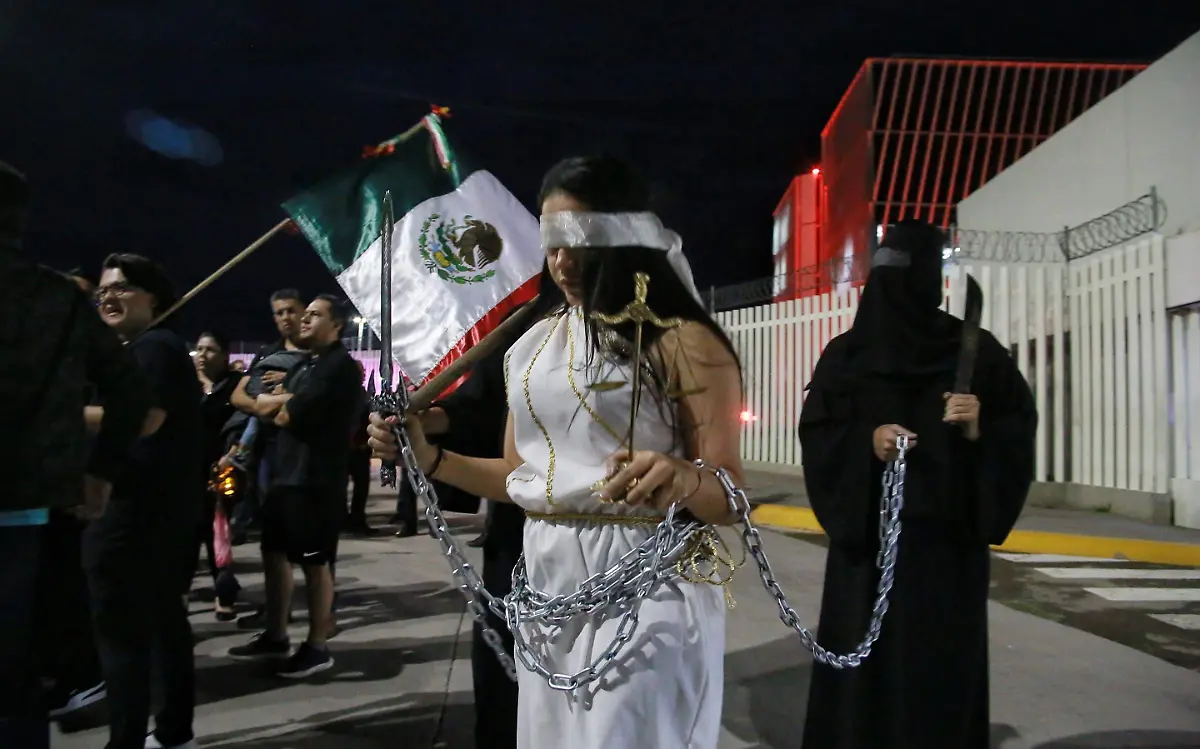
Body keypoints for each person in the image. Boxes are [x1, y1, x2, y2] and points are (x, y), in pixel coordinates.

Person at [368, 155, 744, 749]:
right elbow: (520, 476)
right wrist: (430, 458)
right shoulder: (533, 345)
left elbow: (729, 494)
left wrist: (680, 477)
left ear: (628, 237)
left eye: (579, 242)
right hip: (545, 587)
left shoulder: (683, 340)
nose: (562, 261)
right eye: (551, 245)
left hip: (648, 585)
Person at [797, 220, 1037, 749]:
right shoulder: (847, 356)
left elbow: (1016, 432)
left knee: (937, 672)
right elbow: (819, 433)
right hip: (868, 550)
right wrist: (868, 439)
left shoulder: (975, 352)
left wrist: (980, 425)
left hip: (946, 553)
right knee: (863, 677)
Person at [0, 161, 152, 749]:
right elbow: (129, 389)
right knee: (15, 670)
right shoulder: (57, 299)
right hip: (29, 504)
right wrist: (99, 474)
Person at [85, 253, 204, 749]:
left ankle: (126, 738)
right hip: (155, 515)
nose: (108, 297)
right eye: (102, 292)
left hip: (133, 515)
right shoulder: (148, 347)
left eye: (121, 288)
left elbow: (141, 420)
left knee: (122, 636)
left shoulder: (153, 347)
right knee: (161, 625)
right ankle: (172, 731)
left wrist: (60, 409)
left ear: (153, 297)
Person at [228, 294, 362, 678]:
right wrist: (276, 401)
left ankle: (317, 646)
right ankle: (276, 633)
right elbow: (259, 399)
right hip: (286, 475)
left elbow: (285, 416)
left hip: (315, 480)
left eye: (314, 315)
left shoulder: (338, 367)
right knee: (274, 553)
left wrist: (276, 403)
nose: (304, 320)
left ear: (337, 324)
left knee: (315, 563)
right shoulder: (309, 364)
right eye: (304, 315)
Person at [194, 331, 242, 619]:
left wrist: (232, 456)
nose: (202, 354)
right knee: (190, 533)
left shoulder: (234, 387)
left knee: (218, 533)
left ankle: (224, 593)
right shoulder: (187, 386)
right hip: (190, 469)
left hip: (225, 469)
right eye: (199, 349)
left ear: (224, 355)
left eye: (210, 349)